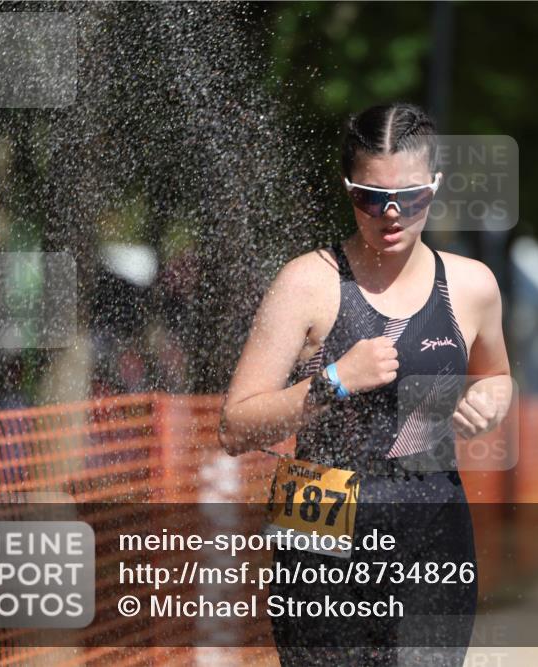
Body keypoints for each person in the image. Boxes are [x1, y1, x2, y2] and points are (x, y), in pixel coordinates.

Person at [219, 102, 512, 666]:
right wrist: (334, 380)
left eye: (411, 197)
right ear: (348, 189)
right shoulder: (309, 282)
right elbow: (234, 426)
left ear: (435, 184)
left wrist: (493, 398)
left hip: (431, 517)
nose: (391, 214)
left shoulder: (474, 286)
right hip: (319, 515)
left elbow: (498, 375)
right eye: (371, 198)